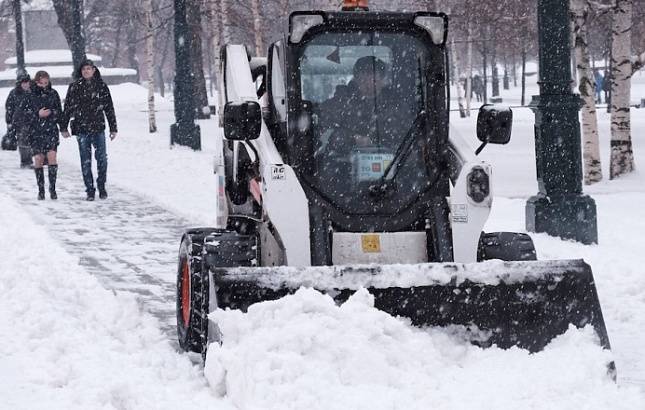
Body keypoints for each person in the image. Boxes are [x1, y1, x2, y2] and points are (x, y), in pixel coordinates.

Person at [317, 56, 407, 156]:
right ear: (356, 78)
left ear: (382, 79)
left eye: (372, 75)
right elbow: (322, 131)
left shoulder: (395, 104)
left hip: (393, 164)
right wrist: (352, 138)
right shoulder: (340, 102)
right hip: (344, 164)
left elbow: (405, 134)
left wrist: (377, 141)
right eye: (363, 75)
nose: (368, 81)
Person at [61, 59, 117, 201]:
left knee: (102, 159)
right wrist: (63, 127)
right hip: (81, 127)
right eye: (84, 69)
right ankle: (90, 189)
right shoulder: (74, 87)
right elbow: (67, 107)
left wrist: (113, 127)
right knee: (85, 160)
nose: (86, 71)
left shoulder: (101, 86)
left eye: (89, 68)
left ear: (93, 70)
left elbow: (109, 107)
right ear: (81, 71)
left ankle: (101, 185)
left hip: (98, 126)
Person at [21, 71, 63, 200]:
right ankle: (41, 190)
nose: (44, 85)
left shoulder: (53, 93)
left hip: (50, 130)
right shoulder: (29, 95)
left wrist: (52, 114)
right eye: (41, 82)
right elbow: (23, 114)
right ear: (36, 81)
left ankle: (53, 188)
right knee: (38, 159)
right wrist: (37, 114)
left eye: (46, 82)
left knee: (52, 156)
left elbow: (59, 111)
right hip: (36, 131)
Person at [4, 73, 33, 167]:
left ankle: (37, 159)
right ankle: (26, 161)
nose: (25, 84)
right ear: (19, 83)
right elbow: (9, 108)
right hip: (20, 121)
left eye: (27, 82)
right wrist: (9, 121)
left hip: (33, 120)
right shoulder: (14, 93)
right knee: (23, 141)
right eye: (23, 82)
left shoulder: (33, 91)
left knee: (34, 141)